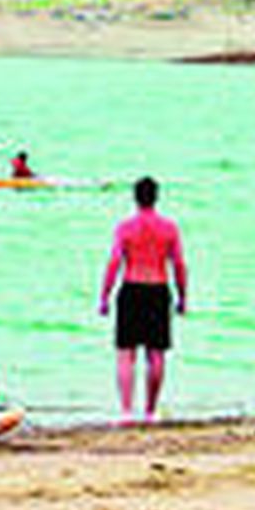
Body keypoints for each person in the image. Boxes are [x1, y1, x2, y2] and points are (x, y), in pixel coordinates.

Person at [99, 177, 188, 425]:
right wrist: (183, 297)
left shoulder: (125, 227)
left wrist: (104, 296)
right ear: (156, 197)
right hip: (158, 289)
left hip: (132, 289)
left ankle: (126, 412)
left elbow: (115, 262)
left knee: (126, 354)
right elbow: (179, 263)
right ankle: (150, 412)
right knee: (156, 354)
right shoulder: (169, 228)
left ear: (135, 197)